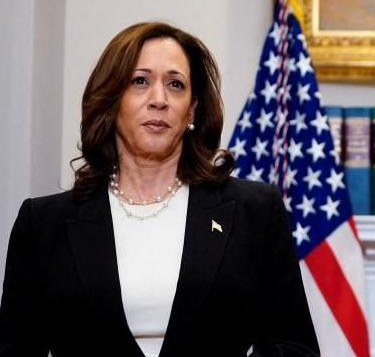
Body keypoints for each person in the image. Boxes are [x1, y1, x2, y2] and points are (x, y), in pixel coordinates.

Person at [0, 23, 320, 356]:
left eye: (175, 84)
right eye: (140, 81)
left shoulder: (255, 210)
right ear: (112, 101)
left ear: (192, 110)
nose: (159, 100)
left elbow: (295, 347)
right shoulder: (43, 223)